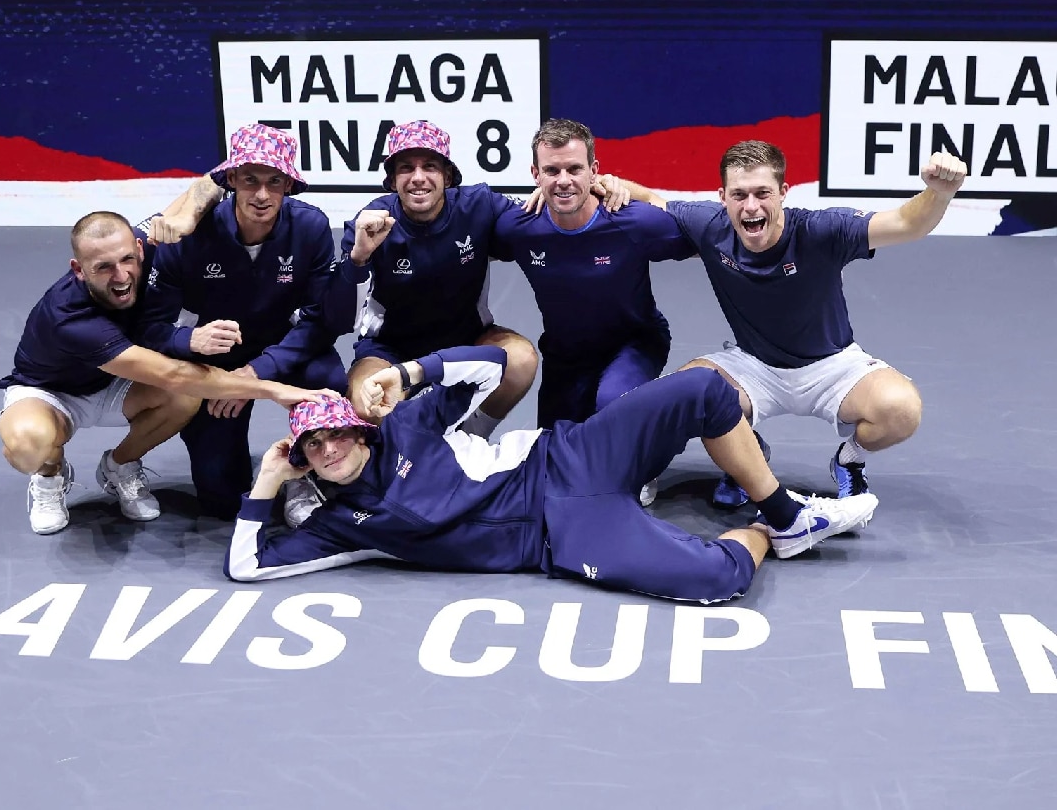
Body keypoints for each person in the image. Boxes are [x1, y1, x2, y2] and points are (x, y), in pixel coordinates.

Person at [223, 346, 880, 599]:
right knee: (713, 579)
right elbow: (248, 567)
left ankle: (791, 519)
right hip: (559, 536)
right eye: (312, 447)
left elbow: (500, 364)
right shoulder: (342, 525)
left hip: (564, 457)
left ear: (360, 428)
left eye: (336, 433)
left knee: (704, 390)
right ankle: (766, 536)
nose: (329, 449)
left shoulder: (405, 425)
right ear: (303, 461)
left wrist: (410, 374)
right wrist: (264, 484)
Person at [620, 140, 968, 507]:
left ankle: (849, 461)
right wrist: (603, 184)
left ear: (783, 193)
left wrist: (939, 193)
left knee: (900, 409)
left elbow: (905, 223)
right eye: (739, 195)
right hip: (753, 366)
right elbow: (652, 201)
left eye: (762, 193)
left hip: (832, 367)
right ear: (722, 197)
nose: (750, 206)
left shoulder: (821, 231)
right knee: (686, 396)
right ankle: (747, 459)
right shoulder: (708, 225)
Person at [0, 207, 336, 536]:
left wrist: (190, 213)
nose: (120, 276)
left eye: (127, 260)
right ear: (79, 269)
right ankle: (49, 474)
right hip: (51, 393)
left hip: (115, 384)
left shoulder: (145, 245)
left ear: (140, 248)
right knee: (29, 445)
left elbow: (198, 193)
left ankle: (120, 465)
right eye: (103, 268)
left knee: (184, 399)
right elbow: (174, 374)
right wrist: (272, 388)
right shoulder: (70, 320)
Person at [140, 123, 349, 519]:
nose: (262, 195)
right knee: (219, 498)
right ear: (231, 179)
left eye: (275, 181)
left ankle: (304, 473)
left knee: (332, 383)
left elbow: (322, 321)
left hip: (281, 347)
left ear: (289, 184)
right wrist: (189, 341)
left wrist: (255, 374)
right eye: (250, 180)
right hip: (212, 353)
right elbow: (150, 328)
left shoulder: (311, 227)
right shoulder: (189, 236)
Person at [329, 119, 541, 440]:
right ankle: (402, 464)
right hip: (390, 348)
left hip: (468, 341)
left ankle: (472, 436)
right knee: (365, 402)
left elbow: (542, 223)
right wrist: (358, 256)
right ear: (392, 179)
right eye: (405, 168)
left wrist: (593, 189)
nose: (418, 178)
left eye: (430, 166)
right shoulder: (369, 223)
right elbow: (339, 316)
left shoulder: (479, 205)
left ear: (447, 176)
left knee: (521, 359)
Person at [493, 118, 695, 428]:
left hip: (635, 344)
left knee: (613, 406)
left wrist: (628, 188)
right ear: (535, 174)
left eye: (574, 169)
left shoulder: (632, 221)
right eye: (551, 171)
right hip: (565, 356)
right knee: (555, 457)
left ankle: (651, 445)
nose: (563, 181)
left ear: (594, 171)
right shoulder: (519, 228)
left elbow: (704, 236)